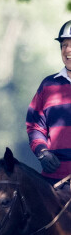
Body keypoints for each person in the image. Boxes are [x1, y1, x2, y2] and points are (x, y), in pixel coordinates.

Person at [26, 20, 71, 185]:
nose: (67, 50)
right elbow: (35, 127)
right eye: (64, 45)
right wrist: (42, 152)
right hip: (54, 179)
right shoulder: (48, 85)